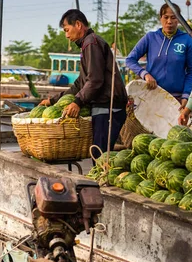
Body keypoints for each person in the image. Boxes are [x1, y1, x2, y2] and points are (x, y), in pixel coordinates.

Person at [40, 9, 128, 159]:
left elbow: (95, 80)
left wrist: (78, 102)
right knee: (97, 153)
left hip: (108, 107)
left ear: (78, 25)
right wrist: (53, 101)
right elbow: (80, 84)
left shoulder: (91, 43)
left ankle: (102, 182)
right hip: (104, 107)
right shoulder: (87, 44)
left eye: (67, 30)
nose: (67, 35)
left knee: (100, 155)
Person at [125, 3, 192, 105]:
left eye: (173, 18)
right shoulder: (150, 37)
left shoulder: (187, 40)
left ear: (179, 20)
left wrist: (186, 95)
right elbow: (129, 60)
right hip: (150, 95)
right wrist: (145, 74)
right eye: (166, 17)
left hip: (175, 99)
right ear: (160, 18)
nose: (169, 22)